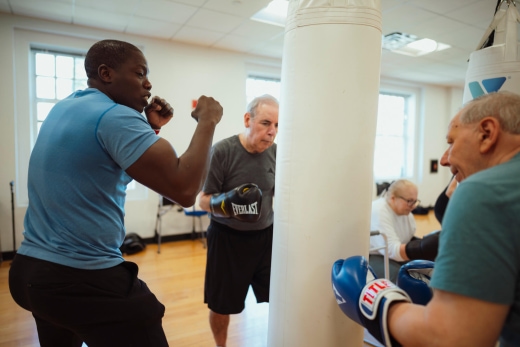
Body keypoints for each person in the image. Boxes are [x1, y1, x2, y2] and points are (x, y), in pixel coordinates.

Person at [8, 39, 223, 347]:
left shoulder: (65, 107)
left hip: (31, 274)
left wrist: (149, 127)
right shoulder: (115, 116)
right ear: (106, 74)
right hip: (82, 278)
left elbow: (102, 167)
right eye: (139, 73)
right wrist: (208, 121)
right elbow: (185, 190)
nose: (148, 84)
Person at [332, 91, 520, 347]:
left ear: (486, 133)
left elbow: (449, 338)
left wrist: (371, 297)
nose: (444, 159)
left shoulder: (484, 192)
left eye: (451, 142)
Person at [198, 94, 279, 347]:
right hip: (227, 240)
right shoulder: (222, 151)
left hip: (266, 237)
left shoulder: (277, 154)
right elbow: (202, 200)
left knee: (279, 296)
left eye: (277, 126)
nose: (272, 132)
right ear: (247, 119)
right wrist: (226, 205)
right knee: (222, 306)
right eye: (266, 123)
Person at [369, 179, 439, 282]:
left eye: (415, 201)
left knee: (431, 267)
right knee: (401, 277)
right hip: (374, 256)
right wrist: (422, 247)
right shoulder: (379, 212)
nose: (413, 206)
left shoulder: (406, 213)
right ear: (393, 198)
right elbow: (392, 250)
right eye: (409, 201)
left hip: (393, 255)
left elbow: (408, 239)